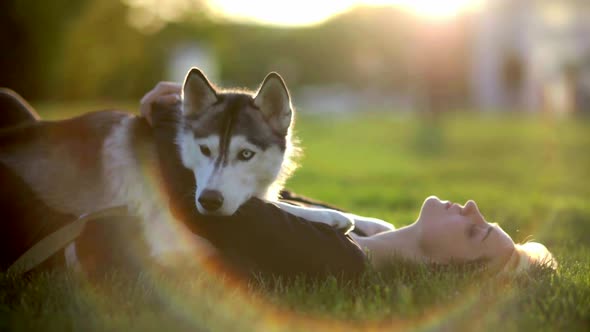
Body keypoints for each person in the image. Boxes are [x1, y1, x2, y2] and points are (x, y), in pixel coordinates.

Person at [0, 87, 555, 279]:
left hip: (47, 233)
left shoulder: (341, 262)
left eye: (479, 234)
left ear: (441, 267)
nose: (477, 209)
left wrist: (175, 111)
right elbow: (272, 197)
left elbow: (206, 207)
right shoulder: (357, 236)